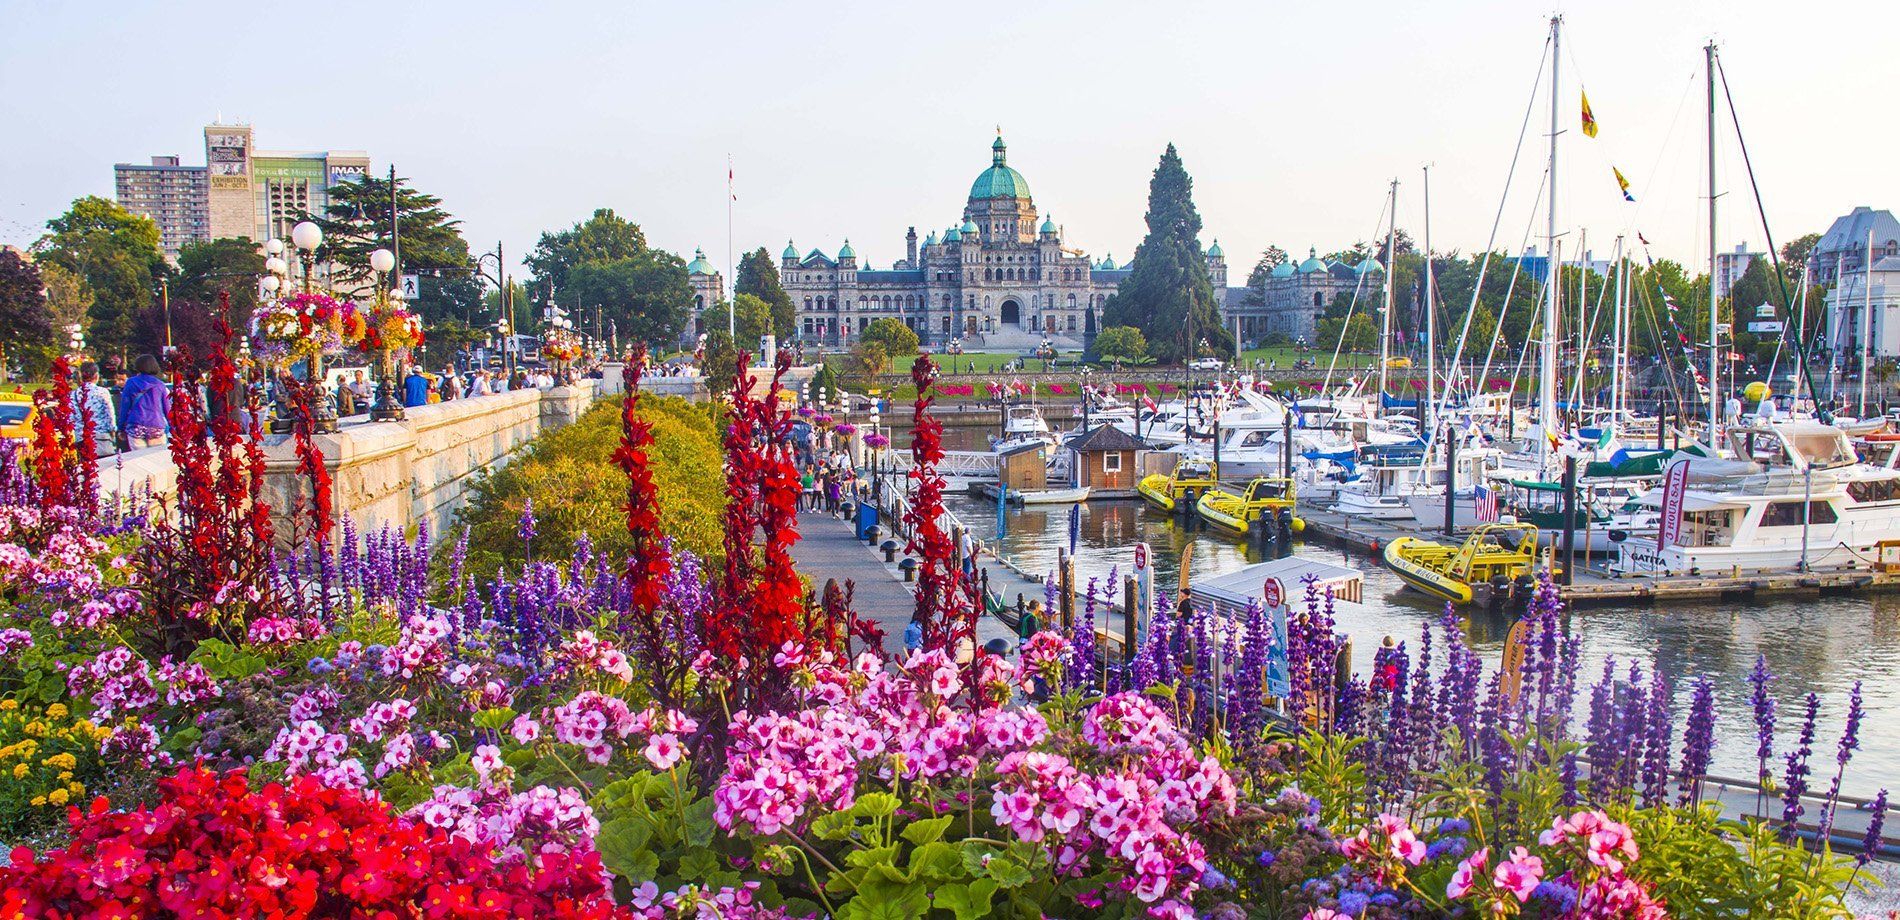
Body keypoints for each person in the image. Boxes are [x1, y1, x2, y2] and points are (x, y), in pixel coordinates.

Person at [119, 354, 170, 450]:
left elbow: (124, 407)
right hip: (156, 427)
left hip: (136, 426)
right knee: (156, 460)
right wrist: (174, 428)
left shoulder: (131, 382)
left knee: (138, 460)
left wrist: (121, 428)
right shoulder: (160, 385)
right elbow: (167, 409)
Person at [72, 361, 117, 457]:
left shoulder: (74, 394)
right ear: (96, 375)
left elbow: (72, 417)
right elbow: (110, 413)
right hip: (101, 437)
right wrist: (113, 430)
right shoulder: (102, 392)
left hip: (81, 437)